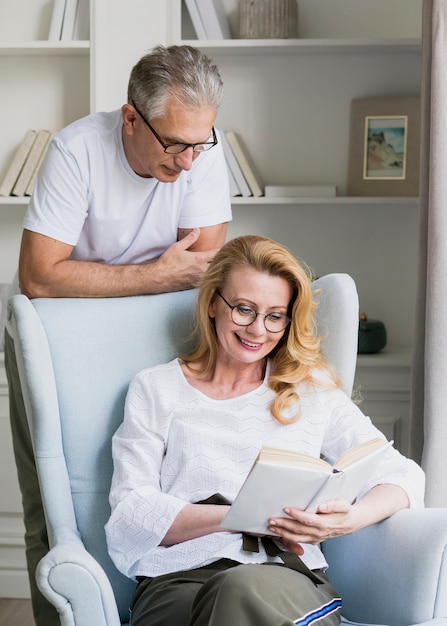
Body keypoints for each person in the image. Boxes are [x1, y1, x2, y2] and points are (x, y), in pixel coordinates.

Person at [5, 44, 231, 626]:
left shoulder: (202, 147)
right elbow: (40, 278)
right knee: (55, 506)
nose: (188, 163)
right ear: (131, 117)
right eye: (175, 144)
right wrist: (156, 274)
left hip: (158, 333)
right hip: (55, 338)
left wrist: (109, 282)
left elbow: (203, 272)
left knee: (166, 483)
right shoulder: (76, 150)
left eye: (198, 144)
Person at [105, 235, 425, 626]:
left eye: (275, 315)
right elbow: (131, 511)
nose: (258, 329)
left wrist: (350, 519)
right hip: (174, 578)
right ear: (211, 304)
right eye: (244, 309)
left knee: (236, 590)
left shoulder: (311, 389)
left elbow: (403, 475)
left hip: (283, 579)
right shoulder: (156, 387)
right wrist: (243, 516)